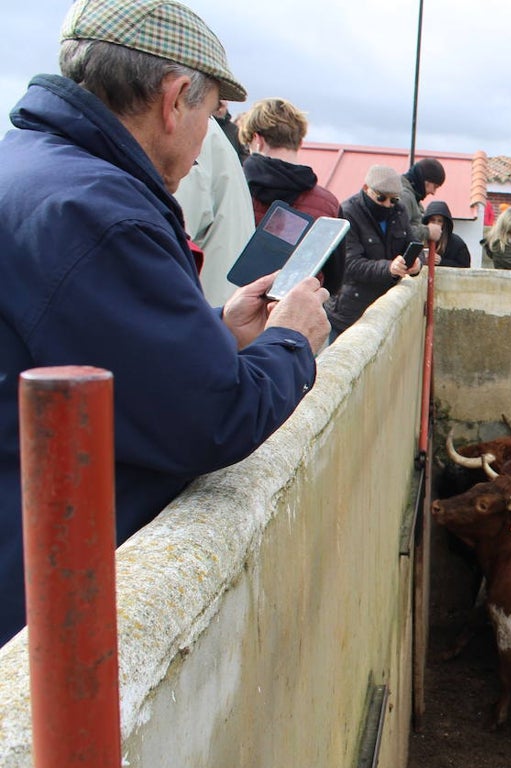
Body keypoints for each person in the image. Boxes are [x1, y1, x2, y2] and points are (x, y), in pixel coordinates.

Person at [0, 0, 331, 645]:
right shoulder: (100, 212)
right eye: (210, 117)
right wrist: (294, 341)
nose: (208, 139)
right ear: (176, 99)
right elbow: (210, 419)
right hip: (41, 599)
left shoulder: (33, 167)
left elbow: (91, 347)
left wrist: (221, 329)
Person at [238, 96, 344, 293]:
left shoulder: (234, 190)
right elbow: (334, 280)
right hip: (298, 313)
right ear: (300, 141)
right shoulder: (329, 204)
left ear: (257, 140)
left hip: (234, 310)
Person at [325, 165, 422, 341]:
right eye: (381, 198)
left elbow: (413, 243)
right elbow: (351, 264)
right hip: (349, 313)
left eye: (393, 200)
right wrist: (389, 268)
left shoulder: (399, 211)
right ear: (365, 189)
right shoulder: (347, 213)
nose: (387, 205)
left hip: (383, 307)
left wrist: (416, 263)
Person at [175, 116, 255, 305]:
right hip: (219, 304)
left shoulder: (187, 127)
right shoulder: (208, 131)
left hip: (197, 306)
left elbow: (167, 236)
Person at [397, 158, 446, 244]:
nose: (433, 192)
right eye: (435, 186)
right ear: (425, 181)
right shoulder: (405, 196)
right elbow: (400, 232)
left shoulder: (413, 197)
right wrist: (428, 231)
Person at [422, 200, 471, 268]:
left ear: (444, 224)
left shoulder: (457, 244)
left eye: (440, 221)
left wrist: (442, 262)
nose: (436, 224)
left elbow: (465, 267)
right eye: (432, 220)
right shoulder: (419, 239)